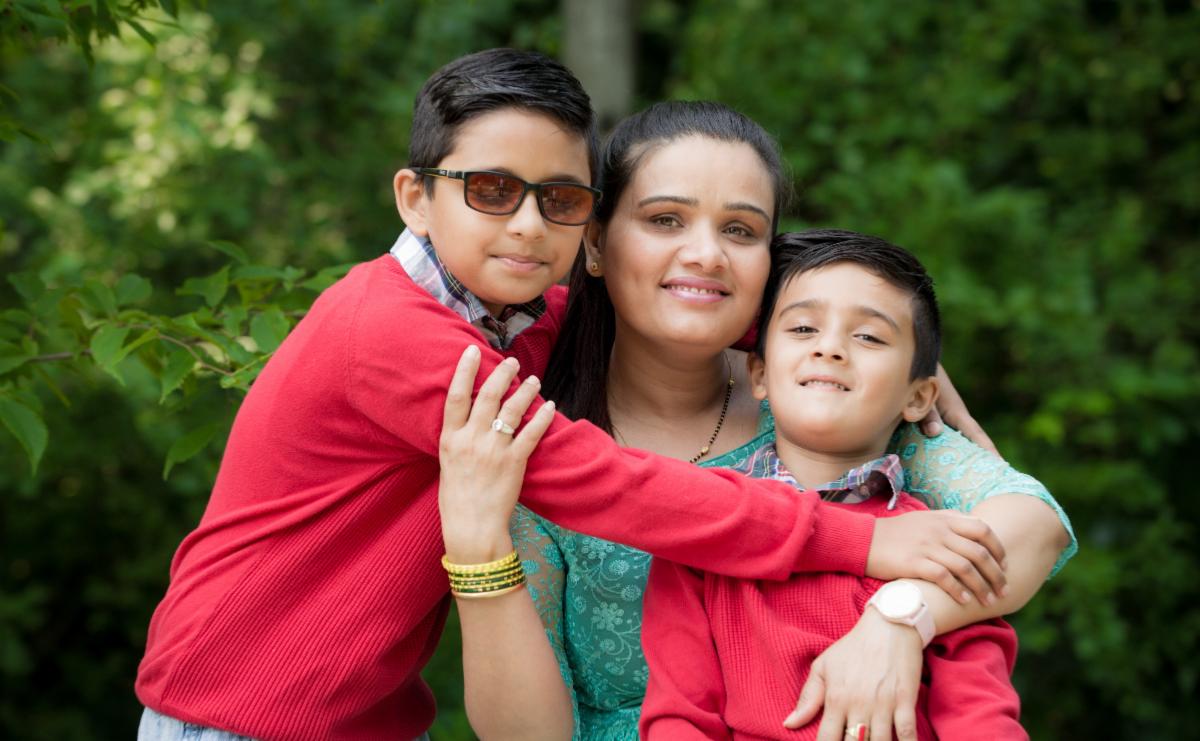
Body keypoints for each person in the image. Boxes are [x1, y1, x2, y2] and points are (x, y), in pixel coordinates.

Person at [133, 51, 1009, 741]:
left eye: (555, 197)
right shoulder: (397, 334)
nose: (524, 224)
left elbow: (689, 296)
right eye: (489, 191)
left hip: (367, 714)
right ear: (414, 197)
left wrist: (881, 345)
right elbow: (610, 481)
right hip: (237, 711)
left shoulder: (525, 319)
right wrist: (855, 539)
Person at [436, 101, 1075, 740]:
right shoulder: (545, 444)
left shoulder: (818, 408)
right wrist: (476, 548)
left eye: (741, 231)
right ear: (596, 244)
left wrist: (900, 617)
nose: (707, 253)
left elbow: (1032, 526)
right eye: (665, 219)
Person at [638, 229, 1028, 739]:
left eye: (868, 336)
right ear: (758, 373)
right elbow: (680, 716)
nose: (830, 348)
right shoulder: (706, 527)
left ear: (919, 397)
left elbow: (982, 721)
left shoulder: (937, 547)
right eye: (803, 328)